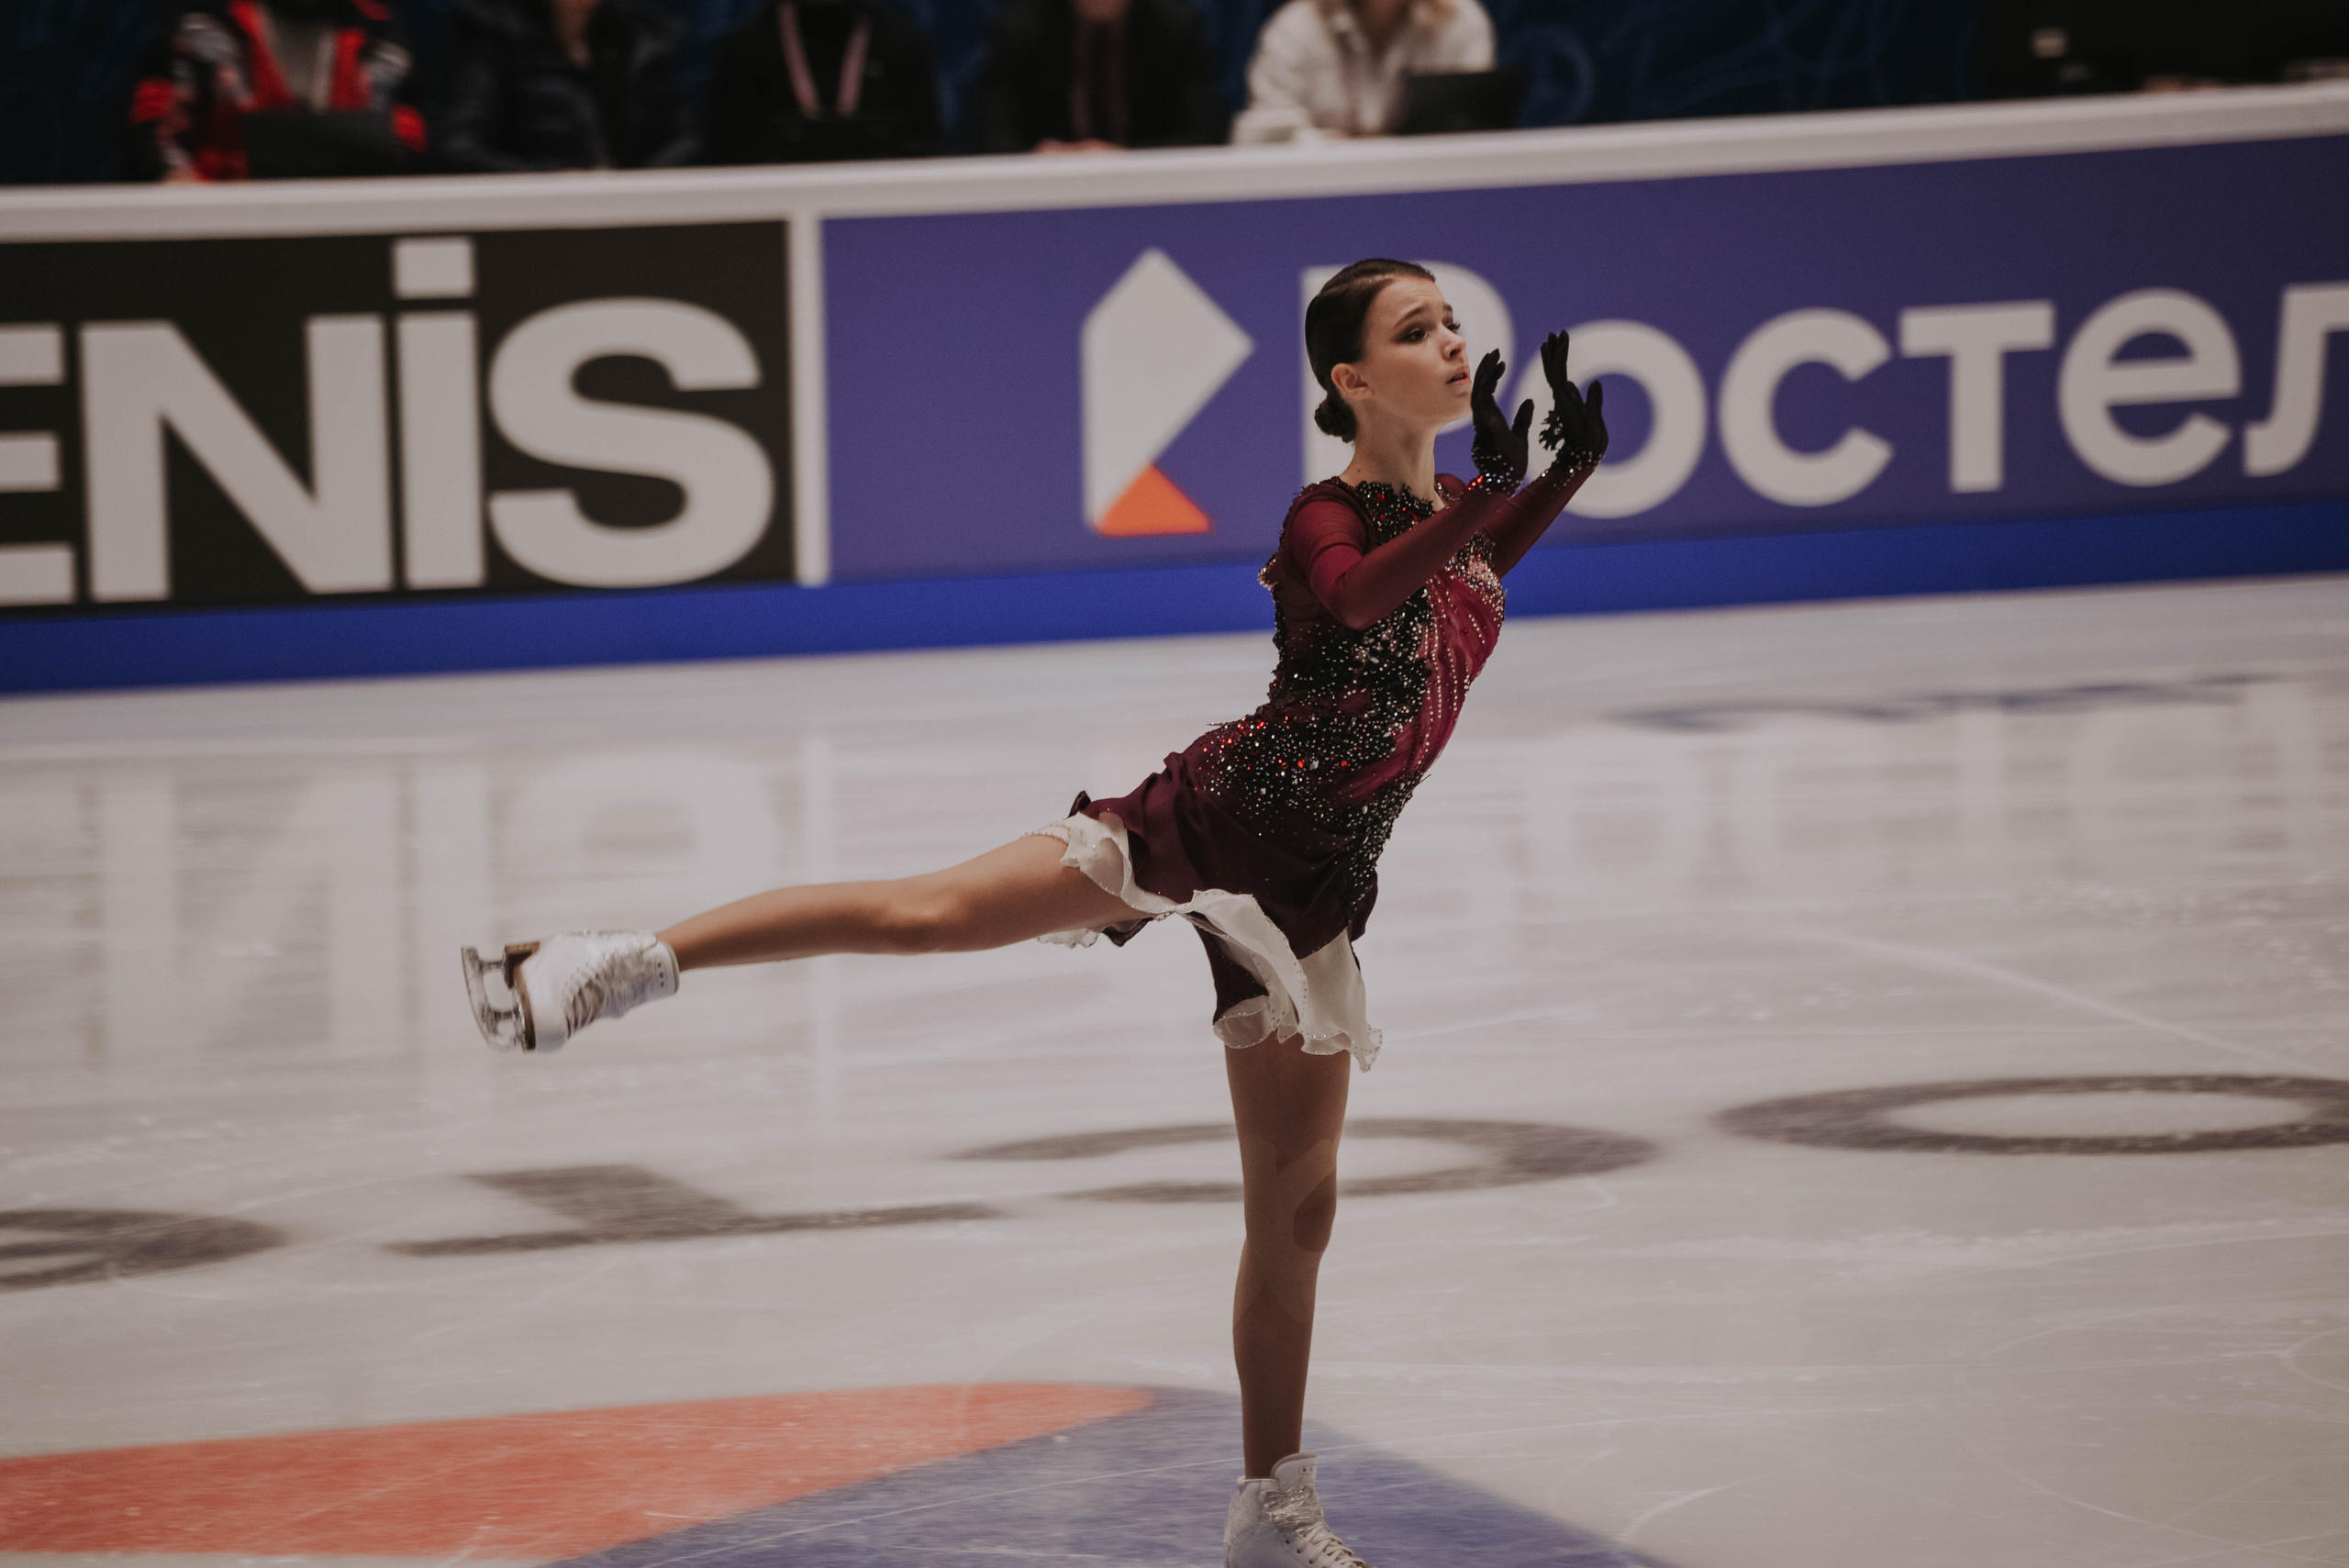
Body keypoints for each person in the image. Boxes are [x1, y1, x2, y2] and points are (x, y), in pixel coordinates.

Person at [461, 259, 1607, 1568]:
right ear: (1352, 381)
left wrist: (1557, 478)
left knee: (1296, 1211)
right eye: (1418, 331)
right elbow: (1357, 595)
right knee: (928, 914)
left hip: (1318, 889)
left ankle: (1270, 1512)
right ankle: (607, 963)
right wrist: (1495, 502)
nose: (1454, 342)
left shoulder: (1457, 518)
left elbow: (1469, 571)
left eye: (1454, 322)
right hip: (1215, 821)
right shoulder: (1324, 515)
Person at [127, 0, 425, 182]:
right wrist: (175, 181)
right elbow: (155, 132)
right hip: (225, 227)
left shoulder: (380, 36)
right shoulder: (204, 26)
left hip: (348, 224)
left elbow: (408, 140)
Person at [436, 0, 697, 172]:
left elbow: (683, 139)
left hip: (633, 211)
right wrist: (555, 181)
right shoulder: (493, 36)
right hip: (531, 217)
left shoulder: (639, 37)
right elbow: (460, 148)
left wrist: (634, 184)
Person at [967, 0, 1228, 154]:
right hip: (1044, 200)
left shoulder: (1176, 27)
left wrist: (1125, 160)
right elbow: (991, 138)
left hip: (1153, 199)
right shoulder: (1020, 30)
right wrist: (1039, 158)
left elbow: (1204, 136)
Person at [702, 0, 941, 163]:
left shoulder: (900, 46)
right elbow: (729, 157)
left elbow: (927, 150)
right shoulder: (749, 50)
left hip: (883, 210)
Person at [1231, 0, 1491, 143]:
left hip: (1429, 200)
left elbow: (1474, 134)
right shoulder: (1295, 29)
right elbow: (1264, 138)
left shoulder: (1460, 23)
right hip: (1320, 198)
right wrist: (1322, 146)